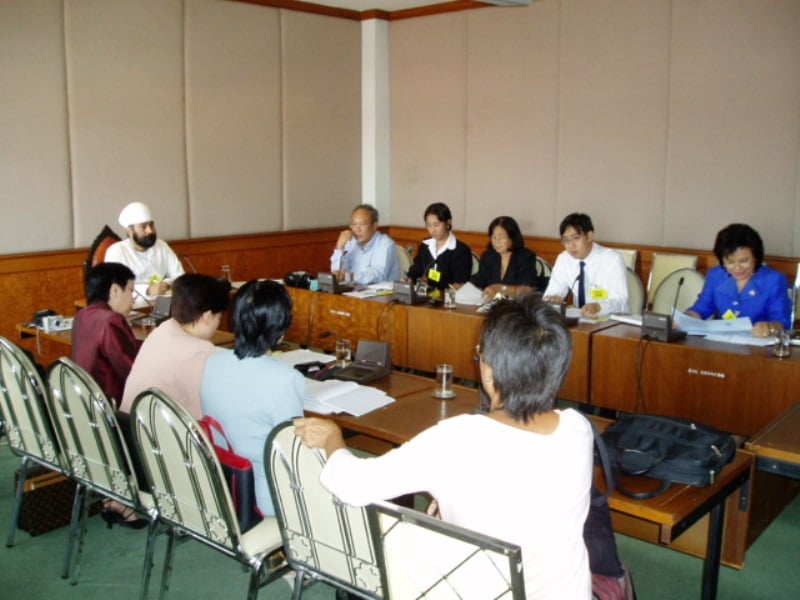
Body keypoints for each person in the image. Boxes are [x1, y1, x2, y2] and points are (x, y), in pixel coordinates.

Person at [295, 295, 593, 599]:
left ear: (489, 371)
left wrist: (334, 437)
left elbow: (352, 484)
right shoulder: (578, 429)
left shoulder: (456, 440)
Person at [201, 280, 304, 517]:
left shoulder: (213, 362)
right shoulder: (285, 379)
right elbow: (293, 453)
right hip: (268, 496)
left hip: (226, 484)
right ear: (281, 327)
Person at [119, 273, 229, 419]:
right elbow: (209, 415)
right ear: (207, 316)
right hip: (160, 435)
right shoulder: (201, 352)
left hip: (131, 428)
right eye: (219, 317)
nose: (217, 324)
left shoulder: (162, 330)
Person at [685, 223, 791, 336]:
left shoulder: (774, 280)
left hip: (759, 347)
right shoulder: (716, 275)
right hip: (722, 344)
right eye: (730, 262)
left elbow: (782, 322)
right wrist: (686, 319)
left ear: (756, 257)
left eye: (744, 261)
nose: (737, 268)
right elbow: (700, 309)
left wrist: (769, 328)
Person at [71, 262, 140, 407]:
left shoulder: (82, 315)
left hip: (85, 401)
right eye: (131, 291)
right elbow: (132, 371)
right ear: (115, 290)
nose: (133, 299)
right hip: (112, 408)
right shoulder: (111, 320)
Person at [544, 213, 629, 317]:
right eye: (566, 240)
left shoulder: (612, 260)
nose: (571, 245)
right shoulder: (564, 259)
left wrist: (599, 307)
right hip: (581, 320)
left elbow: (620, 301)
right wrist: (553, 298)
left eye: (576, 238)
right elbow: (552, 292)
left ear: (590, 236)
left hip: (611, 320)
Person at [105, 201, 185, 297]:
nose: (150, 231)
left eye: (151, 225)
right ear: (129, 230)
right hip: (131, 308)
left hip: (163, 305)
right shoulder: (117, 252)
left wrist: (166, 284)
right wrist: (147, 290)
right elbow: (116, 288)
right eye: (143, 227)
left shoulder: (161, 246)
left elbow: (180, 276)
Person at [469, 216, 540, 300]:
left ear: (512, 237)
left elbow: (528, 290)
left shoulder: (525, 257)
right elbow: (479, 282)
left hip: (517, 307)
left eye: (501, 237)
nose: (497, 242)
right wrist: (462, 286)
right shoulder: (488, 256)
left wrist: (500, 288)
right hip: (490, 305)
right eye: (494, 237)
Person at [405, 202, 472, 290]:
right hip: (424, 296)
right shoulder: (425, 245)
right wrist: (410, 279)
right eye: (429, 225)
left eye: (436, 225)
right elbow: (417, 269)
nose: (432, 230)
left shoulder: (461, 251)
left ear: (448, 222)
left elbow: (460, 283)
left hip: (448, 299)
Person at [330, 204, 401, 285]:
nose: (357, 229)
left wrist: (350, 277)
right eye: (354, 224)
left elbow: (378, 276)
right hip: (354, 292)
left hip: (381, 294)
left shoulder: (385, 244)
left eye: (362, 224)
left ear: (375, 225)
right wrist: (339, 247)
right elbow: (337, 273)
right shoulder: (351, 242)